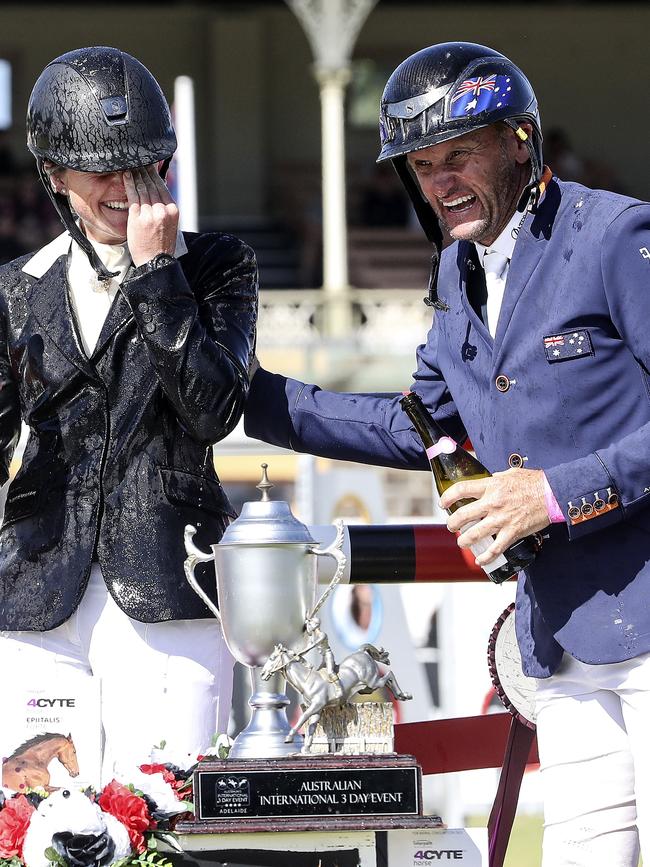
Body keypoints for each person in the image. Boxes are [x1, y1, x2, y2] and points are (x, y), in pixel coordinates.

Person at [245, 41, 650, 866]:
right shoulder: (455, 271)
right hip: (562, 643)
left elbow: (558, 480)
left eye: (459, 154)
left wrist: (558, 494)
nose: (440, 182)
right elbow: (414, 424)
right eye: (422, 165)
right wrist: (244, 395)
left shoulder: (617, 233)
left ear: (522, 142)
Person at [0, 47, 257, 780]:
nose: (128, 186)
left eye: (145, 165)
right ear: (54, 174)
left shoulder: (218, 266)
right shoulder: (14, 289)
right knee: (36, 831)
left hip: (169, 590)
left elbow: (212, 411)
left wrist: (156, 276)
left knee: (161, 823)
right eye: (103, 169)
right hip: (33, 594)